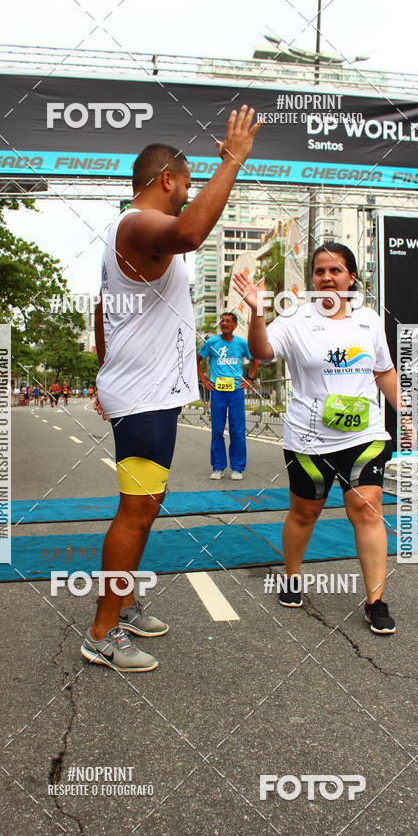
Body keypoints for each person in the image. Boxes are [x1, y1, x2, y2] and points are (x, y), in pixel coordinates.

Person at [84, 107, 262, 672]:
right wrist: (232, 160)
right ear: (166, 179)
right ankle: (103, 634)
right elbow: (189, 231)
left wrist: (104, 366)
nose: (188, 194)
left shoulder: (132, 233)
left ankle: (123, 600)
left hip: (144, 392)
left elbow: (101, 309)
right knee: (136, 509)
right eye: (186, 184)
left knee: (148, 503)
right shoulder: (138, 224)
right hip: (142, 398)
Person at [234, 242, 403, 635]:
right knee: (305, 513)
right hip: (308, 439)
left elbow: (383, 371)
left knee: (367, 508)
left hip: (365, 433)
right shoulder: (294, 319)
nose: (327, 278)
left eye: (336, 270)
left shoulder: (370, 320)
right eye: (320, 271)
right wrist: (257, 312)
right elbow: (262, 350)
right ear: (312, 278)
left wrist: (407, 411)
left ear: (352, 277)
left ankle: (375, 601)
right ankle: (292, 577)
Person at [197, 311, 260, 480]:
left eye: (228, 321)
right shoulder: (211, 342)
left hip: (236, 391)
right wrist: (203, 379)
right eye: (222, 321)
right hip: (217, 391)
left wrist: (250, 379)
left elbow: (256, 359)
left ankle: (237, 468)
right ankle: (218, 467)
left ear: (234, 325)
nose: (224, 323)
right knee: (217, 429)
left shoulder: (241, 343)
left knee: (237, 430)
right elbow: (196, 359)